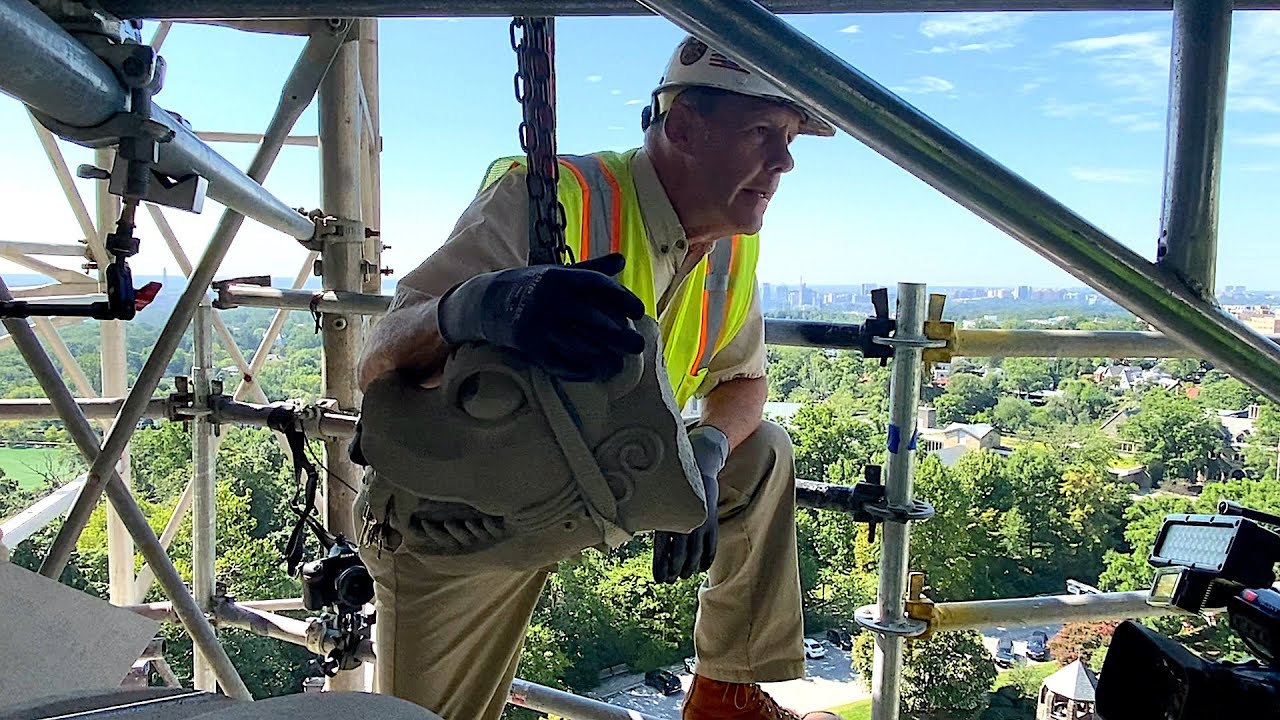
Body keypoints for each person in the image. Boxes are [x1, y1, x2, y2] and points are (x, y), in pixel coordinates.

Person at [355, 35, 839, 720]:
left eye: (788, 138)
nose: (785, 161)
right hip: (467, 521)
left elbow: (744, 383)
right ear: (683, 128)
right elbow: (376, 360)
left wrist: (706, 453)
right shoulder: (550, 199)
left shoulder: (730, 247)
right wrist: (478, 306)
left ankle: (726, 694)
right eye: (762, 132)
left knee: (761, 451)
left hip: (597, 485)